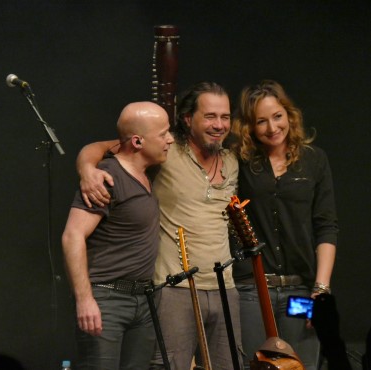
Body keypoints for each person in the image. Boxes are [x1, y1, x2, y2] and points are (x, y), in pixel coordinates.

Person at [76, 82, 244, 370]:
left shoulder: (231, 160)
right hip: (174, 287)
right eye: (210, 116)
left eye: (225, 117)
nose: (219, 125)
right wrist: (86, 170)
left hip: (224, 286)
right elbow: (104, 147)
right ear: (189, 118)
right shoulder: (166, 152)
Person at [231, 80, 338, 370]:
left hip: (300, 292)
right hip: (252, 290)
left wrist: (321, 289)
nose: (272, 127)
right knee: (252, 365)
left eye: (277, 116)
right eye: (261, 121)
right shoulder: (239, 161)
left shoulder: (314, 160)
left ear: (289, 115)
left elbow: (326, 226)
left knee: (298, 365)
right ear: (249, 127)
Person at [62, 101, 174, 370]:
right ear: (137, 141)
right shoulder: (108, 178)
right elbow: (72, 236)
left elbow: (102, 145)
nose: (170, 139)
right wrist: (85, 300)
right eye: (163, 134)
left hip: (143, 300)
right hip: (107, 300)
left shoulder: (147, 171)